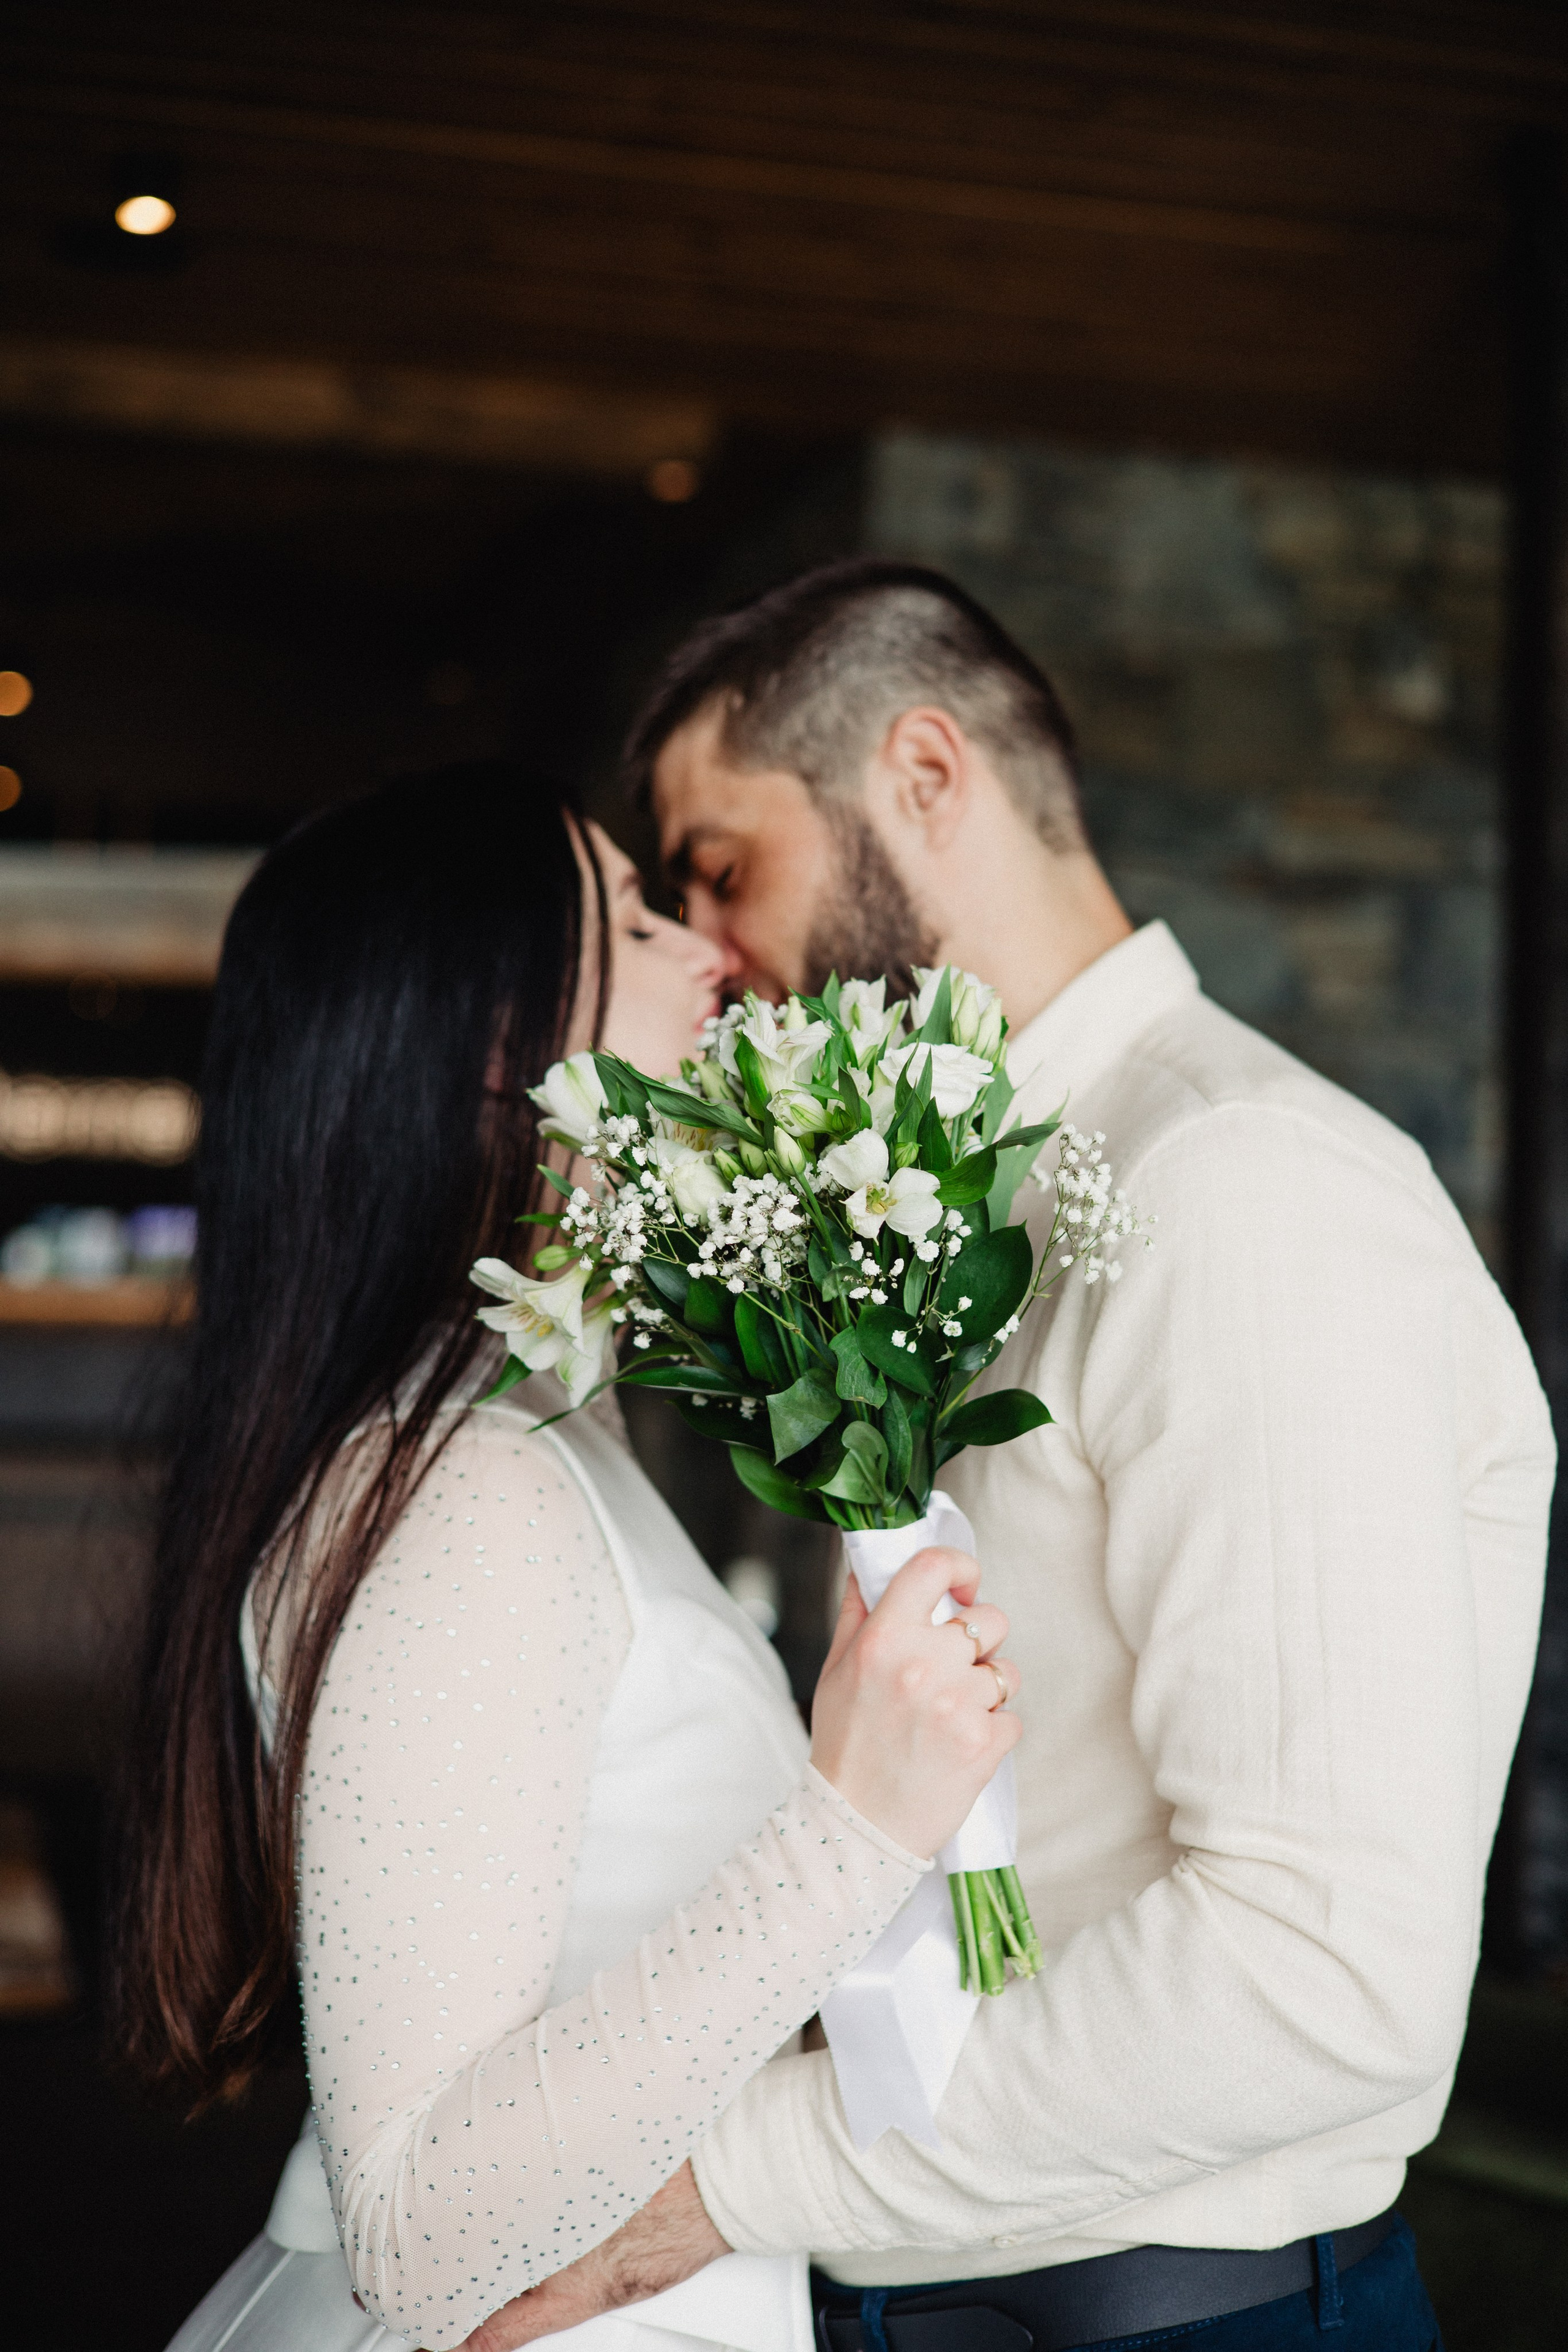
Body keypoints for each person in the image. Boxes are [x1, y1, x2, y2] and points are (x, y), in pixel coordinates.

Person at [462, 564, 1553, 2352]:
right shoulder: (961, 1200)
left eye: (726, 868)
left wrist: (702, 2192)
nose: (712, 953)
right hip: (938, 2291)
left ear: (925, 775)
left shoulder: (1247, 1191)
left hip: (1189, 2319)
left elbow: (1316, 1977)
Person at [111, 758, 1023, 2352]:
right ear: (493, 1047)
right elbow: (416, 2226)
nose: (710, 954)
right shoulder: (468, 1492)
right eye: (632, 920)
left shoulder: (500, 1427)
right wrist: (853, 1825)